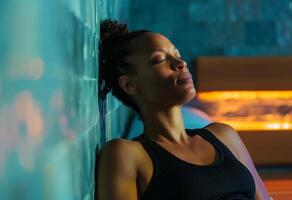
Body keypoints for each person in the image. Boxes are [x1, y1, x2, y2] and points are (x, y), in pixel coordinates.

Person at [96, 19, 271, 200]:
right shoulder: (127, 155)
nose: (180, 62)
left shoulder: (224, 135)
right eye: (160, 59)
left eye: (177, 54)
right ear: (130, 84)